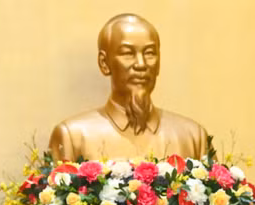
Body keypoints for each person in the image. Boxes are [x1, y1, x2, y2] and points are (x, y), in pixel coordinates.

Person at [49, 13, 207, 162]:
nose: (141, 64)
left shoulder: (192, 137)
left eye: (150, 53)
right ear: (104, 63)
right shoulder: (72, 136)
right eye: (128, 53)